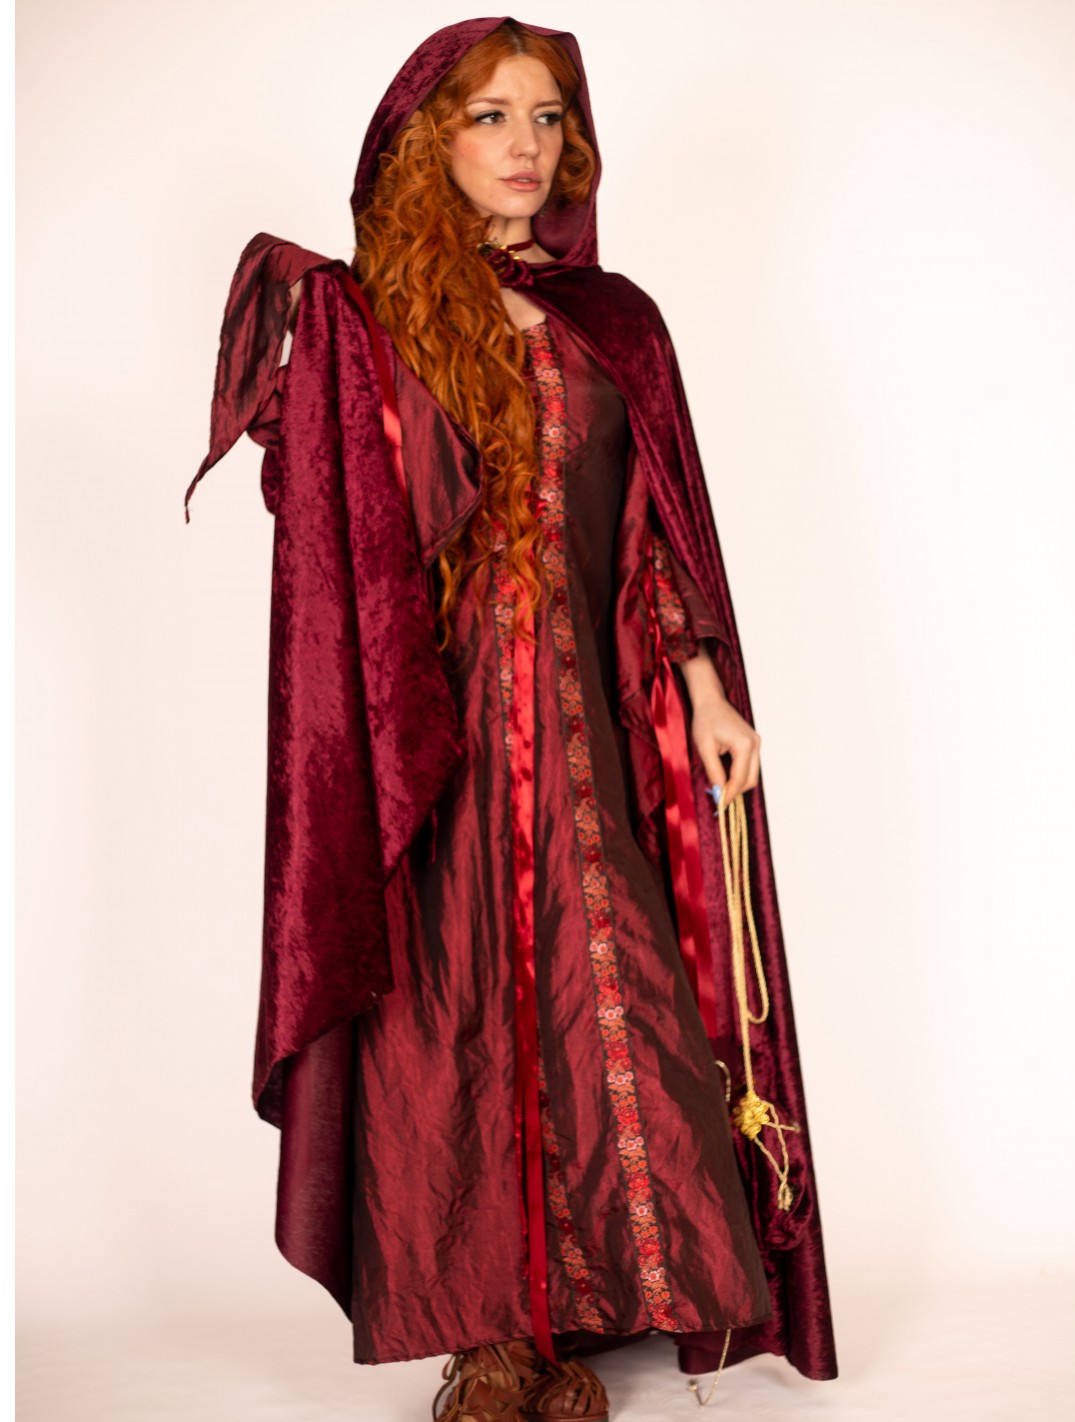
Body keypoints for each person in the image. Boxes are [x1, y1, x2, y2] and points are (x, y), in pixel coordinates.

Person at [188, 17, 837, 1422]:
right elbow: (325, 519)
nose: (528, 145)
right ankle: (488, 1337)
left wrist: (710, 694)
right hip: (427, 732)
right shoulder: (378, 322)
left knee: (609, 989)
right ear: (430, 140)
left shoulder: (620, 324)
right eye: (492, 116)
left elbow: (659, 532)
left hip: (593, 725)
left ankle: (583, 1307)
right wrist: (316, 338)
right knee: (452, 1013)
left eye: (548, 118)